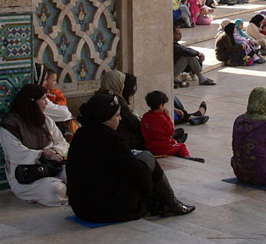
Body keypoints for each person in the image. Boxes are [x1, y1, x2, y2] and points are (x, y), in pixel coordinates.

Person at [67, 92, 195, 222]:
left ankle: (168, 202)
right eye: (117, 116)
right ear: (105, 117)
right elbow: (139, 176)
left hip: (81, 208)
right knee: (147, 158)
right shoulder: (111, 139)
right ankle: (171, 202)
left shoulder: (80, 135)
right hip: (106, 210)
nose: (120, 119)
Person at [0, 84, 70, 206]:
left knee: (80, 175)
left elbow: (61, 142)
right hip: (25, 174)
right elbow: (15, 153)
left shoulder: (46, 120)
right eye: (43, 99)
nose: (46, 104)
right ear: (32, 102)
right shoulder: (11, 125)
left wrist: (54, 152)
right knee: (55, 190)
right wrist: (42, 154)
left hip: (51, 166)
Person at [99, 70, 147, 149]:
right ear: (116, 83)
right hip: (120, 140)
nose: (123, 86)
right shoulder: (115, 101)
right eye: (122, 83)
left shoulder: (99, 96)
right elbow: (132, 122)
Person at [140, 90, 195, 159]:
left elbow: (144, 132)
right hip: (163, 148)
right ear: (160, 106)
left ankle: (176, 142)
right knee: (181, 146)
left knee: (175, 138)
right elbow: (171, 132)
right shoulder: (162, 118)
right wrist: (167, 117)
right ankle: (187, 157)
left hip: (150, 147)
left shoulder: (145, 116)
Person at [35, 64, 78, 140]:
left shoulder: (54, 93)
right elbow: (64, 113)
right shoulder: (36, 99)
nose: (45, 83)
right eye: (44, 80)